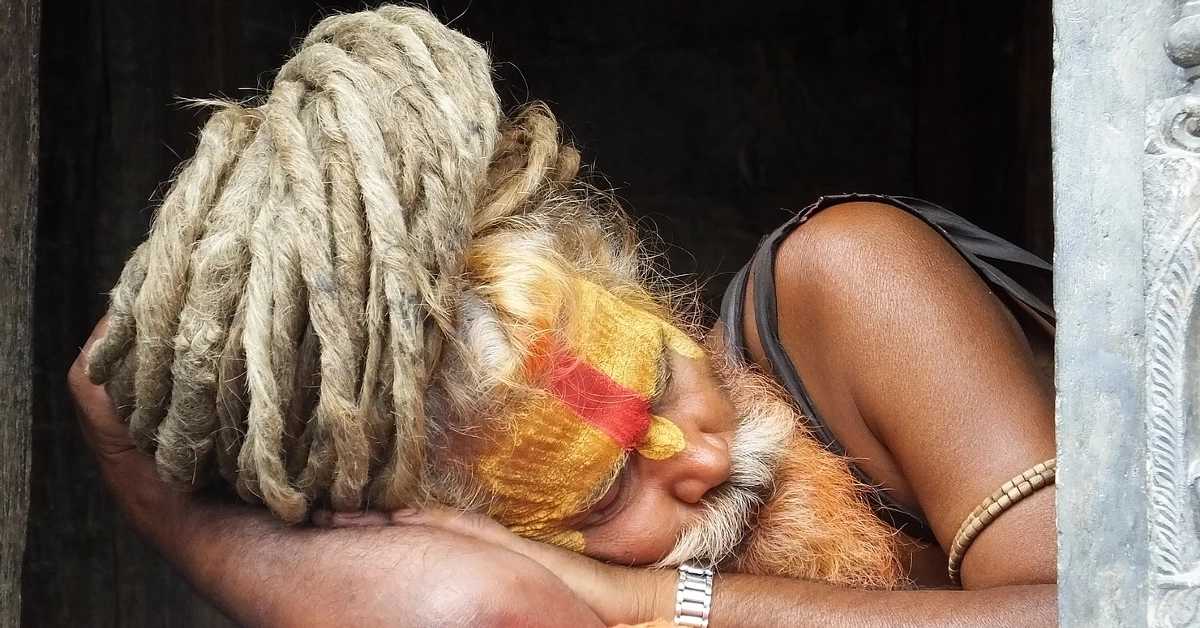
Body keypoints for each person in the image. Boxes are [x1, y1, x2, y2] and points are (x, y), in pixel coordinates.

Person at [69, 5, 1057, 627]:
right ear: (485, 527)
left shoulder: (845, 283)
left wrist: (653, 599)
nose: (702, 458)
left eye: (660, 373)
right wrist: (157, 495)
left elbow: (1125, 609)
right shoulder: (532, 588)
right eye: (610, 486)